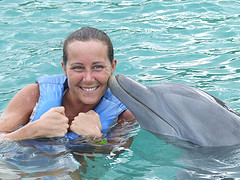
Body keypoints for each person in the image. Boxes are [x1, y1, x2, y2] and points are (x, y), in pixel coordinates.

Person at [0, 27, 136, 144]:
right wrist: (31, 131)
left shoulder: (124, 115)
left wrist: (95, 137)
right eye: (78, 68)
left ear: (112, 67)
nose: (88, 79)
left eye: (98, 67)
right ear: (64, 68)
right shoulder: (34, 95)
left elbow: (113, 159)